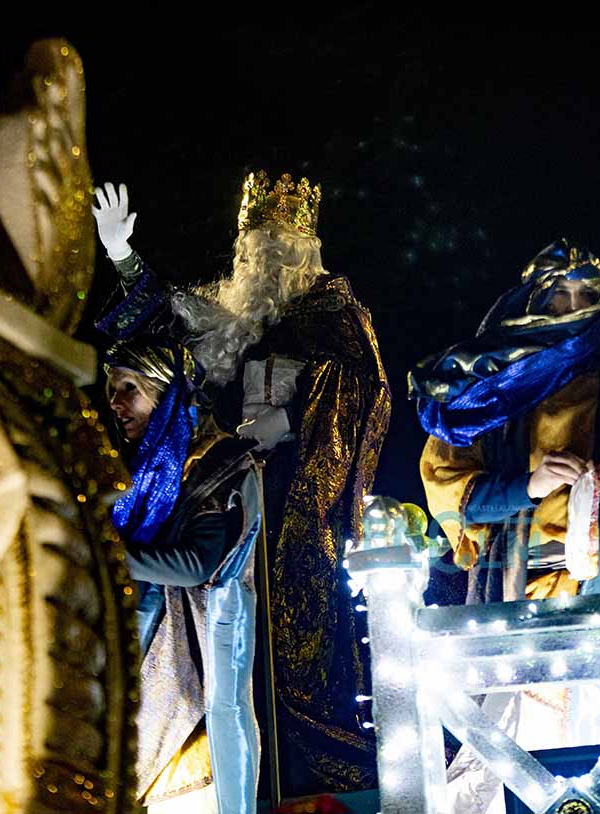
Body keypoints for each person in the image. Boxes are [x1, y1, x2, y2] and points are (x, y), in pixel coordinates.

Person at [92, 173, 390, 797]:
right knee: (229, 652)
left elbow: (361, 395)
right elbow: (168, 326)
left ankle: (312, 786)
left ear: (303, 251)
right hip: (235, 487)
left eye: (276, 246)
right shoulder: (237, 318)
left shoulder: (337, 316)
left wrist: (291, 423)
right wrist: (122, 255)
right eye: (253, 248)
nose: (261, 261)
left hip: (300, 503)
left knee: (297, 649)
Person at [409, 239, 600, 813]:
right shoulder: (492, 393)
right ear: (533, 300)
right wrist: (529, 486)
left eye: (586, 296)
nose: (573, 308)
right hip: (515, 595)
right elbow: (455, 491)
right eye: (560, 295)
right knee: (496, 748)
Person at [101, 336, 265, 814]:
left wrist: (104, 551)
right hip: (146, 663)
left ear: (166, 391)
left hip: (193, 667)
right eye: (112, 391)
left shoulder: (217, 463)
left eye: (129, 389)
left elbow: (197, 565)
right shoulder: (139, 474)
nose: (115, 404)